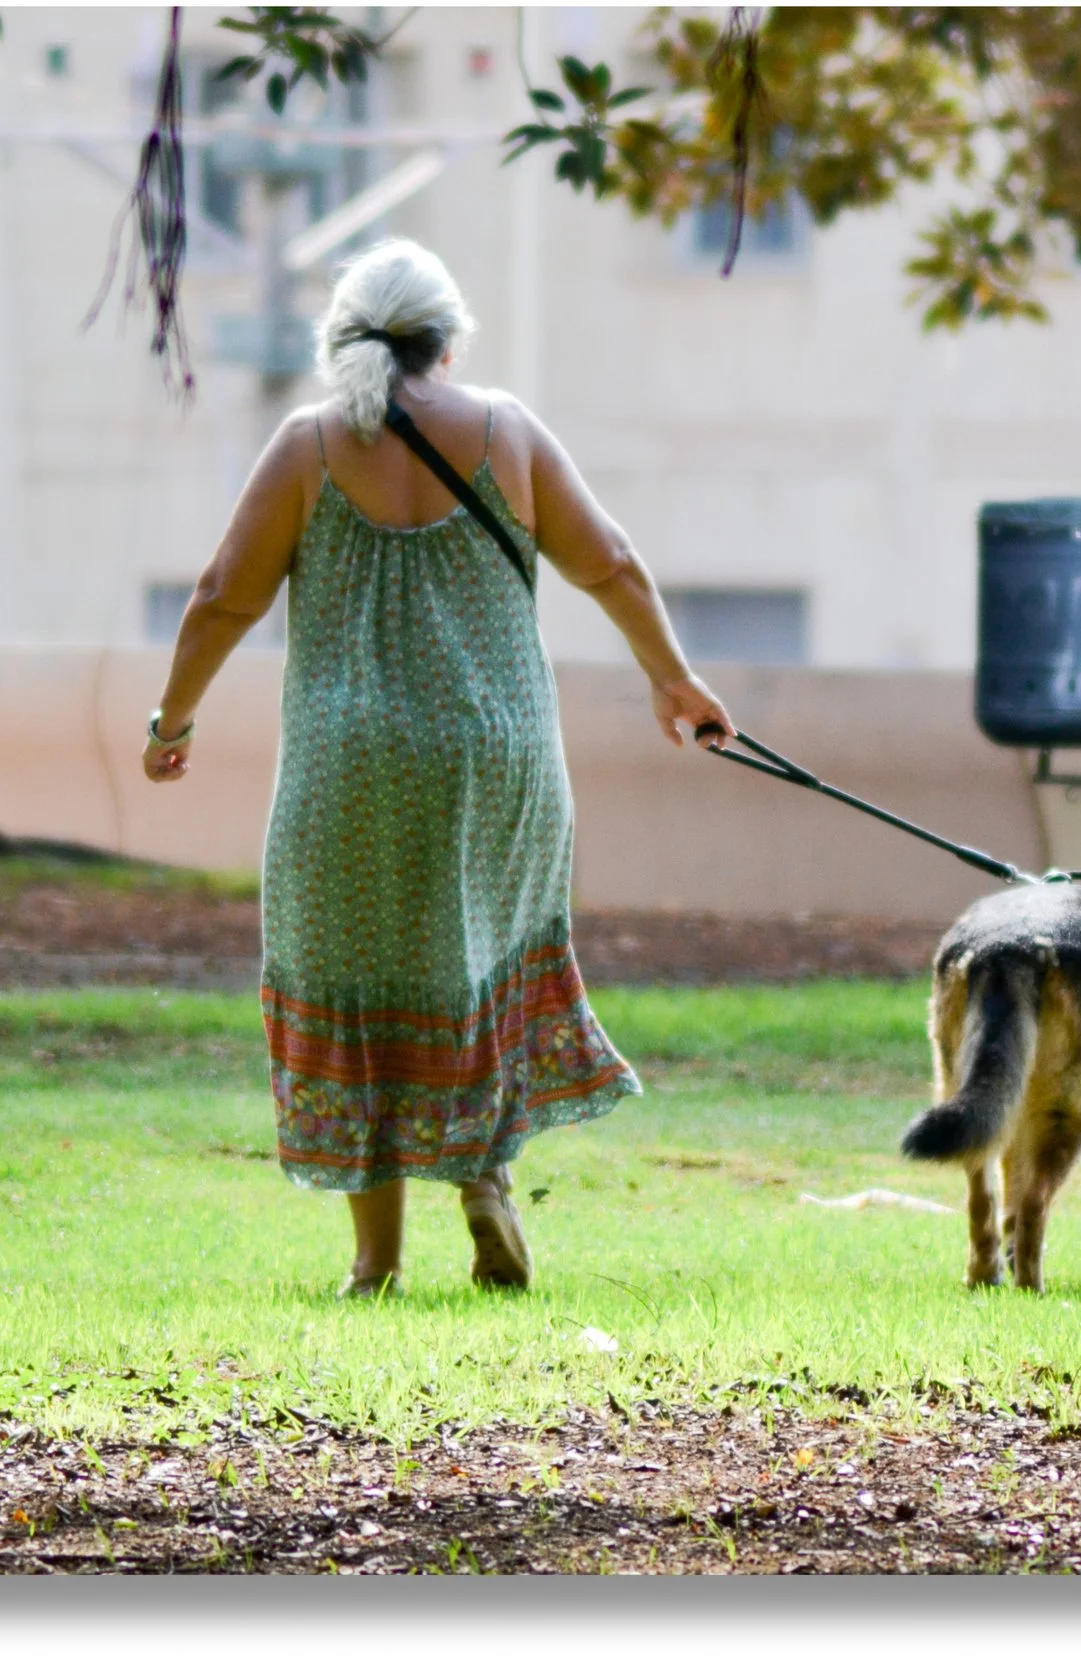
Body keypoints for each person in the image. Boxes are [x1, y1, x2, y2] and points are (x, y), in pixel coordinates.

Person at [142, 239, 734, 1297]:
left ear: (341, 341)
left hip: (350, 760)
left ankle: (376, 1259)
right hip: (496, 755)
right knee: (482, 967)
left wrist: (170, 719)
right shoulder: (506, 429)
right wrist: (673, 680)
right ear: (449, 342)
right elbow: (612, 561)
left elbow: (221, 593)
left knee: (361, 987)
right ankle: (486, 1183)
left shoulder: (307, 445)